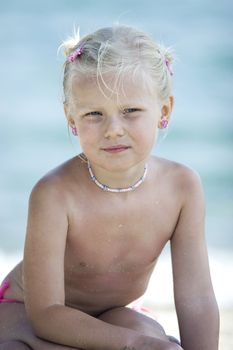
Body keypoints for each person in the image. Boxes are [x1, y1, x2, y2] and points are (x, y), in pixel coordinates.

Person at [0, 24, 219, 350]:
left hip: (115, 315)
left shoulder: (182, 188)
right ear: (71, 119)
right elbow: (45, 313)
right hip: (33, 315)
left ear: (164, 110)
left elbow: (197, 299)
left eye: (130, 111)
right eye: (93, 114)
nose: (113, 129)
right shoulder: (55, 194)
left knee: (157, 341)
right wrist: (131, 344)